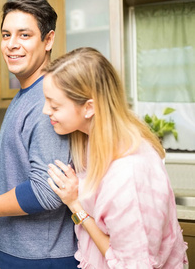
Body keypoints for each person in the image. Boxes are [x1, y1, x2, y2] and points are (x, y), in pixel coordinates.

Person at [0, 0, 79, 268]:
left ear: (48, 40)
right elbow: (36, 159)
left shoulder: (47, 101)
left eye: (25, 34)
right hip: (24, 256)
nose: (12, 44)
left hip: (40, 259)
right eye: (6, 34)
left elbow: (47, 190)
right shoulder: (27, 93)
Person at [43, 47, 188, 268]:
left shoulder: (128, 175)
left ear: (89, 107)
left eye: (54, 105)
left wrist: (75, 205)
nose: (46, 110)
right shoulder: (90, 140)